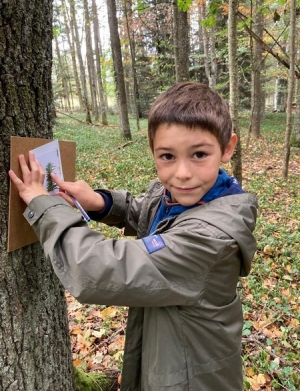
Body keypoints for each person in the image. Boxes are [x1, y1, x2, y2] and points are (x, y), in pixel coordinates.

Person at [9, 82, 258, 391]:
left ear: (227, 148)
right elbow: (148, 211)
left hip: (193, 379)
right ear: (153, 151)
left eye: (198, 154)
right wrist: (101, 202)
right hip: (173, 360)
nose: (181, 173)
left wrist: (43, 203)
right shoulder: (186, 196)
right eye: (167, 156)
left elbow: (98, 269)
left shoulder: (208, 239)